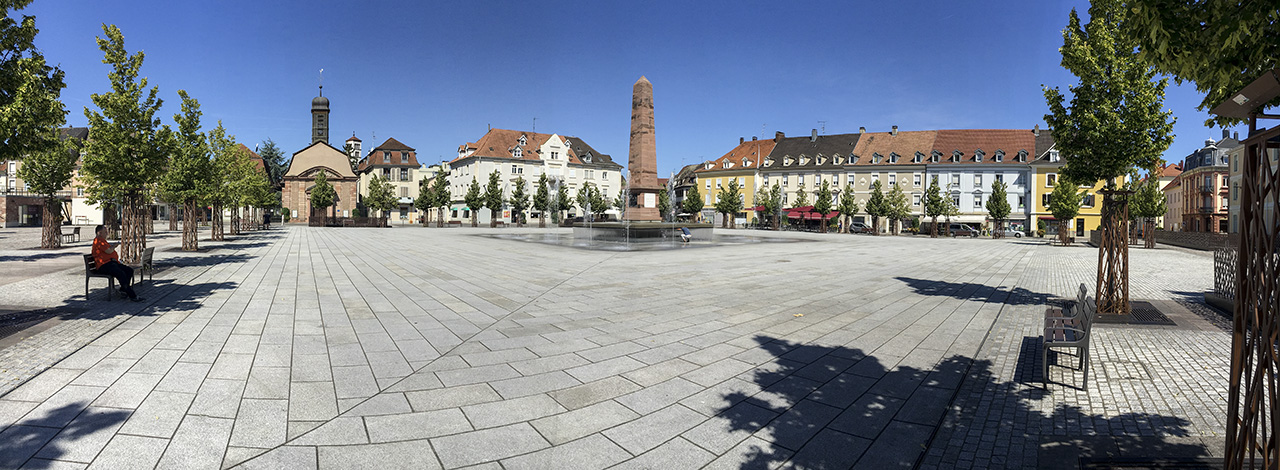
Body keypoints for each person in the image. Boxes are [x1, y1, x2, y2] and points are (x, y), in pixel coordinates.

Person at [91, 224, 143, 302]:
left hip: (111, 263)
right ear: (99, 233)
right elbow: (108, 250)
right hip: (103, 265)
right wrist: (114, 246)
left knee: (129, 270)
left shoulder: (103, 241)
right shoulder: (98, 241)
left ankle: (123, 290)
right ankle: (132, 295)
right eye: (105, 232)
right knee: (120, 273)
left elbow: (108, 250)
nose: (107, 233)